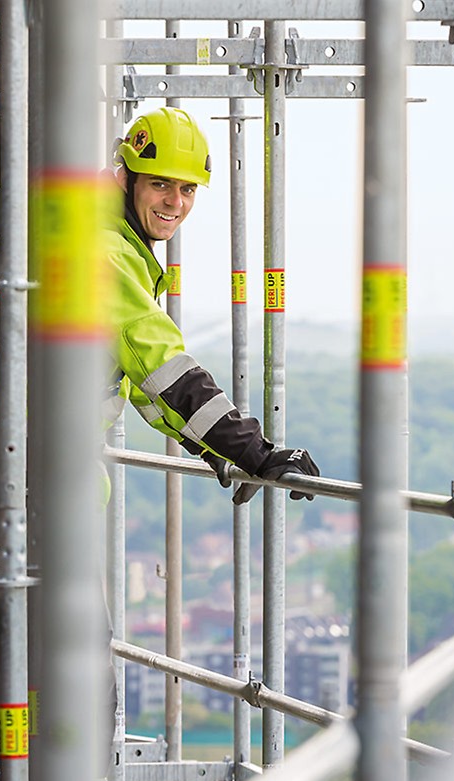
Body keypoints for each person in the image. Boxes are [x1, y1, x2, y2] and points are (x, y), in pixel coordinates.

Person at [107, 106, 320, 502]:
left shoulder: (111, 242)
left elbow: (144, 389)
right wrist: (257, 453)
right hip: (35, 471)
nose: (175, 203)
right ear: (125, 178)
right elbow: (166, 371)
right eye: (160, 184)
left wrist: (213, 447)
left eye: (187, 189)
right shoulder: (105, 252)